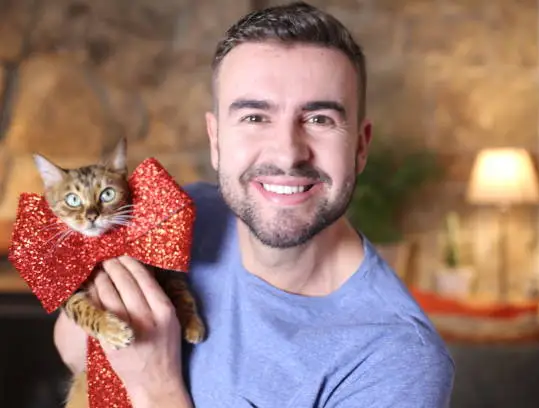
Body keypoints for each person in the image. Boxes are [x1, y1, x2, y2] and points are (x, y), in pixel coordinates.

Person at [54, 2, 455, 407]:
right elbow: (70, 347)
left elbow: (136, 375)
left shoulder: (395, 361)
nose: (286, 154)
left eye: (319, 119)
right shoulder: (178, 215)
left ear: (361, 146)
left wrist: (153, 385)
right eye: (254, 118)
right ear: (216, 140)